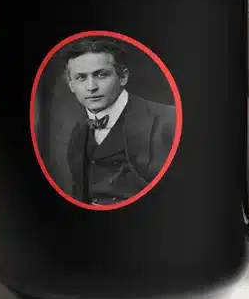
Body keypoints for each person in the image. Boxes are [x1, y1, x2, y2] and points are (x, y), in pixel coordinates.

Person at [59, 37, 176, 206]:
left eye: (101, 75)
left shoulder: (169, 120)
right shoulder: (78, 132)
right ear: (71, 85)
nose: (91, 87)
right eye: (81, 78)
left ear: (123, 77)